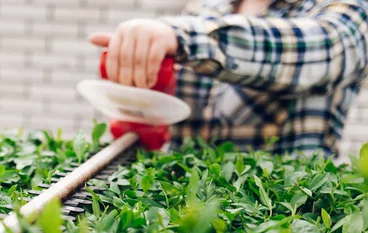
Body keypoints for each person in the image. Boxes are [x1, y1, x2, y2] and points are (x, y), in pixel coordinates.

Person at [89, 0, 368, 157]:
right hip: (186, 222)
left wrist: (182, 37)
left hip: (283, 231)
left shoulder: (346, 12)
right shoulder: (206, 11)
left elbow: (327, 49)